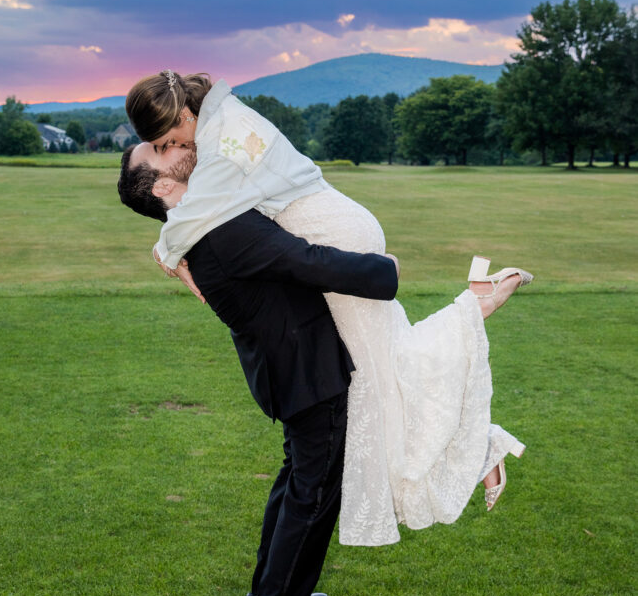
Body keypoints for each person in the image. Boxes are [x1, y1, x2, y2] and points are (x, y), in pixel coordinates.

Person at [124, 70, 532, 545]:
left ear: (185, 115)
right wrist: (167, 247)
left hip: (328, 234)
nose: (174, 148)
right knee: (379, 367)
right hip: (330, 225)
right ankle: (479, 433)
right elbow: (200, 209)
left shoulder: (225, 140)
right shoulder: (223, 123)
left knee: (381, 374)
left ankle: (475, 324)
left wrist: (166, 252)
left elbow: (199, 209)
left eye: (167, 140)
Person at [118, 140, 400, 596]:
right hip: (304, 366)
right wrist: (384, 270)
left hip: (287, 364)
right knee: (312, 494)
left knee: (298, 481)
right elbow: (305, 261)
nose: (175, 144)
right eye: (160, 149)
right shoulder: (217, 230)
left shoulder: (202, 221)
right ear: (161, 186)